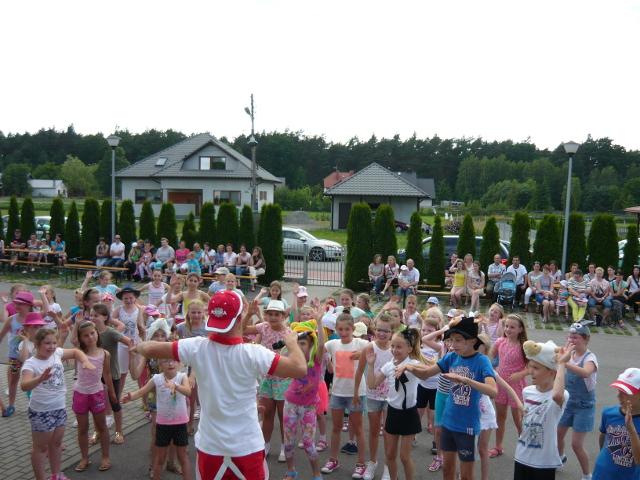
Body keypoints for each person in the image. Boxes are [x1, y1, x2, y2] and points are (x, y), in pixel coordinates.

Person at [132, 290, 307, 480]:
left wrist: (137, 346)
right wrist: (292, 343)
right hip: (247, 447)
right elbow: (299, 368)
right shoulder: (254, 353)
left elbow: (149, 348)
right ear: (239, 319)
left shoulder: (196, 347)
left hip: (210, 447)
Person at [403, 315, 497, 480]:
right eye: (451, 340)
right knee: (447, 470)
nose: (453, 345)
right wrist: (408, 366)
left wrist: (465, 380)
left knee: (466, 475)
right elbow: (426, 374)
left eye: (458, 340)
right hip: (448, 422)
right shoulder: (451, 357)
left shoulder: (482, 361)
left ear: (472, 340)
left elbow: (493, 391)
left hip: (467, 426)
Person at [20, 327, 94, 480]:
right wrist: (39, 379)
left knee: (56, 444)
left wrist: (85, 361)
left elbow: (75, 352)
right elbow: (24, 385)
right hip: (41, 412)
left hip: (59, 408)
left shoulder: (57, 353)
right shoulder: (31, 364)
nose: (52, 346)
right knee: (40, 448)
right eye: (47, 343)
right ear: (37, 344)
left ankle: (56, 475)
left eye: (54, 342)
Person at [123, 355, 193, 480]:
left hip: (180, 424)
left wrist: (176, 386)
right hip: (163, 425)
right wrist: (131, 397)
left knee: (182, 457)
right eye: (165, 361)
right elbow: (142, 391)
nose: (170, 363)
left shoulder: (182, 377)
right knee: (160, 458)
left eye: (173, 361)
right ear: (160, 365)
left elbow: (188, 391)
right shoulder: (156, 378)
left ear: (179, 363)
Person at [367, 328, 424, 480]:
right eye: (392, 346)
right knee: (390, 454)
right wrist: (371, 365)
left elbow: (426, 371)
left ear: (409, 349)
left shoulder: (414, 363)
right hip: (392, 412)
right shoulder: (389, 366)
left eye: (399, 347)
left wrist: (408, 367)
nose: (394, 350)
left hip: (409, 413)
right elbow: (372, 385)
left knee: (404, 457)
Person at [242, 299, 292, 462]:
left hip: (283, 379)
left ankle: (285, 446)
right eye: (270, 314)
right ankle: (265, 445)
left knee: (283, 415)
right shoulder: (263, 327)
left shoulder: (289, 333)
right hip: (266, 378)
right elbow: (241, 329)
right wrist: (249, 314)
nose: (273, 317)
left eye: (277, 314)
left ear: (283, 316)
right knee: (267, 412)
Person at [321, 312, 370, 477]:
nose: (343, 332)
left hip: (356, 393)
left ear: (353, 329)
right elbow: (319, 347)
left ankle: (361, 463)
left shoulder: (360, 343)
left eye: (347, 329)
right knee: (335, 428)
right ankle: (333, 460)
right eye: (340, 329)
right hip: (337, 392)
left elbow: (378, 348)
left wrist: (363, 354)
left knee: (358, 429)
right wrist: (319, 322)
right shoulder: (333, 344)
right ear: (336, 329)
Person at [514, 340, 569, 480]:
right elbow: (524, 420)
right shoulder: (527, 391)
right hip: (521, 456)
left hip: (544, 462)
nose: (530, 371)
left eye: (536, 368)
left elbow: (557, 395)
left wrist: (561, 364)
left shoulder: (561, 395)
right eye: (530, 366)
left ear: (551, 372)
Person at [282, 315, 326, 480]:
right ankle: (291, 471)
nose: (299, 347)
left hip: (309, 407)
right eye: (297, 343)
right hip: (291, 405)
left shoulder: (316, 360)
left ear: (310, 345)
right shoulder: (293, 360)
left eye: (303, 343)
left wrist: (319, 322)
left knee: (308, 443)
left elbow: (321, 344)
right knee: (288, 442)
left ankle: (316, 473)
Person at [72, 320, 117, 473]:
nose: (90, 337)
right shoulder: (78, 352)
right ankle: (84, 458)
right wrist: (76, 324)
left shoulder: (104, 354)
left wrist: (111, 393)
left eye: (92, 333)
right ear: (80, 338)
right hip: (80, 394)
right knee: (82, 428)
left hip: (97, 393)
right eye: (86, 335)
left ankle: (105, 457)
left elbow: (107, 374)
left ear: (97, 333)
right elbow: (71, 339)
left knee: (102, 426)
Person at [354, 314, 394, 480]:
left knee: (389, 432)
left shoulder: (395, 348)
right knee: (373, 430)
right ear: (374, 329)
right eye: (379, 329)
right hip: (372, 395)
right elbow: (359, 371)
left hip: (391, 397)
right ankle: (372, 462)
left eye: (386, 331)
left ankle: (388, 466)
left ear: (392, 332)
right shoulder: (369, 347)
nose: (382, 333)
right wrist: (355, 392)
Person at [557, 323, 598, 480]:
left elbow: (586, 372)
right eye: (570, 337)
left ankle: (587, 475)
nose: (571, 340)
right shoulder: (569, 353)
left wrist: (564, 362)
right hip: (567, 403)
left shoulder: (590, 358)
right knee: (557, 435)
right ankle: (560, 457)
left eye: (575, 337)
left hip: (584, 406)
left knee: (576, 444)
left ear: (586, 339)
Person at [490, 314, 528, 458]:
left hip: (516, 386)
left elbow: (531, 367)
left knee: (518, 419)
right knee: (500, 416)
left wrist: (520, 374)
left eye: (512, 327)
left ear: (520, 329)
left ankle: (525, 446)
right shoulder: (500, 341)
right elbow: (490, 355)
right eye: (506, 326)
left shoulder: (524, 346)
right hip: (500, 384)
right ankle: (498, 446)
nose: (508, 329)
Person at [592, 367, 640, 479]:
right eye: (619, 390)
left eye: (626, 392)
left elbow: (638, 459)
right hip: (602, 474)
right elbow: (603, 438)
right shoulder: (609, 413)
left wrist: (631, 430)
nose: (619, 396)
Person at [0, 290, 36, 417]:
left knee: (31, 381)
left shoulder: (34, 318)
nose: (16, 306)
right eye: (16, 303)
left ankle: (33, 404)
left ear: (28, 305)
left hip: (31, 357)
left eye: (20, 304)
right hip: (14, 357)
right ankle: (11, 405)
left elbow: (40, 336)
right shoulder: (12, 319)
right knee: (13, 381)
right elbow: (1, 336)